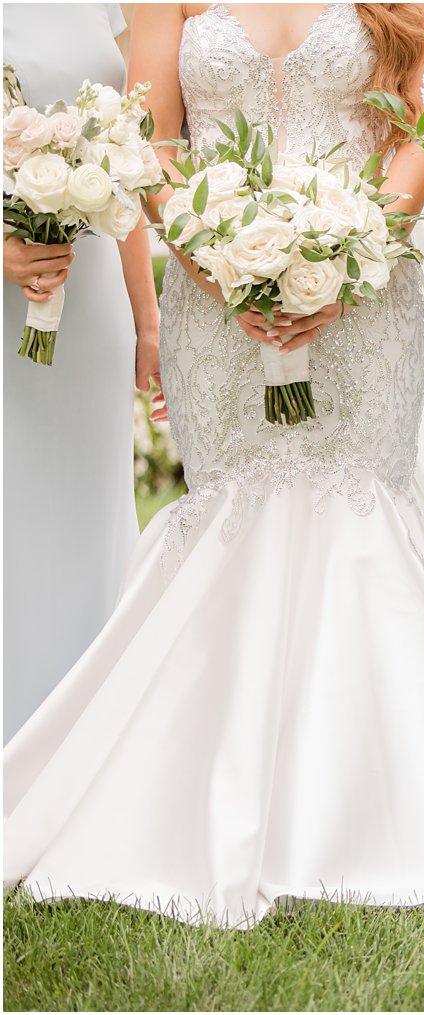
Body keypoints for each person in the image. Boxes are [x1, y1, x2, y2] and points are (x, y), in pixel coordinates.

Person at [4, 3, 424, 928]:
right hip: (209, 297)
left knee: (358, 508)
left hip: (368, 288)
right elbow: (154, 136)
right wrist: (221, 266)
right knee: (236, 512)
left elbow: (422, 124)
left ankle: (378, 805)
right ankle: (197, 795)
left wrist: (349, 261)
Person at [2, 4, 163, 741]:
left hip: (90, 302)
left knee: (88, 516)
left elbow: (124, 156)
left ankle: (81, 756)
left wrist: (147, 316)